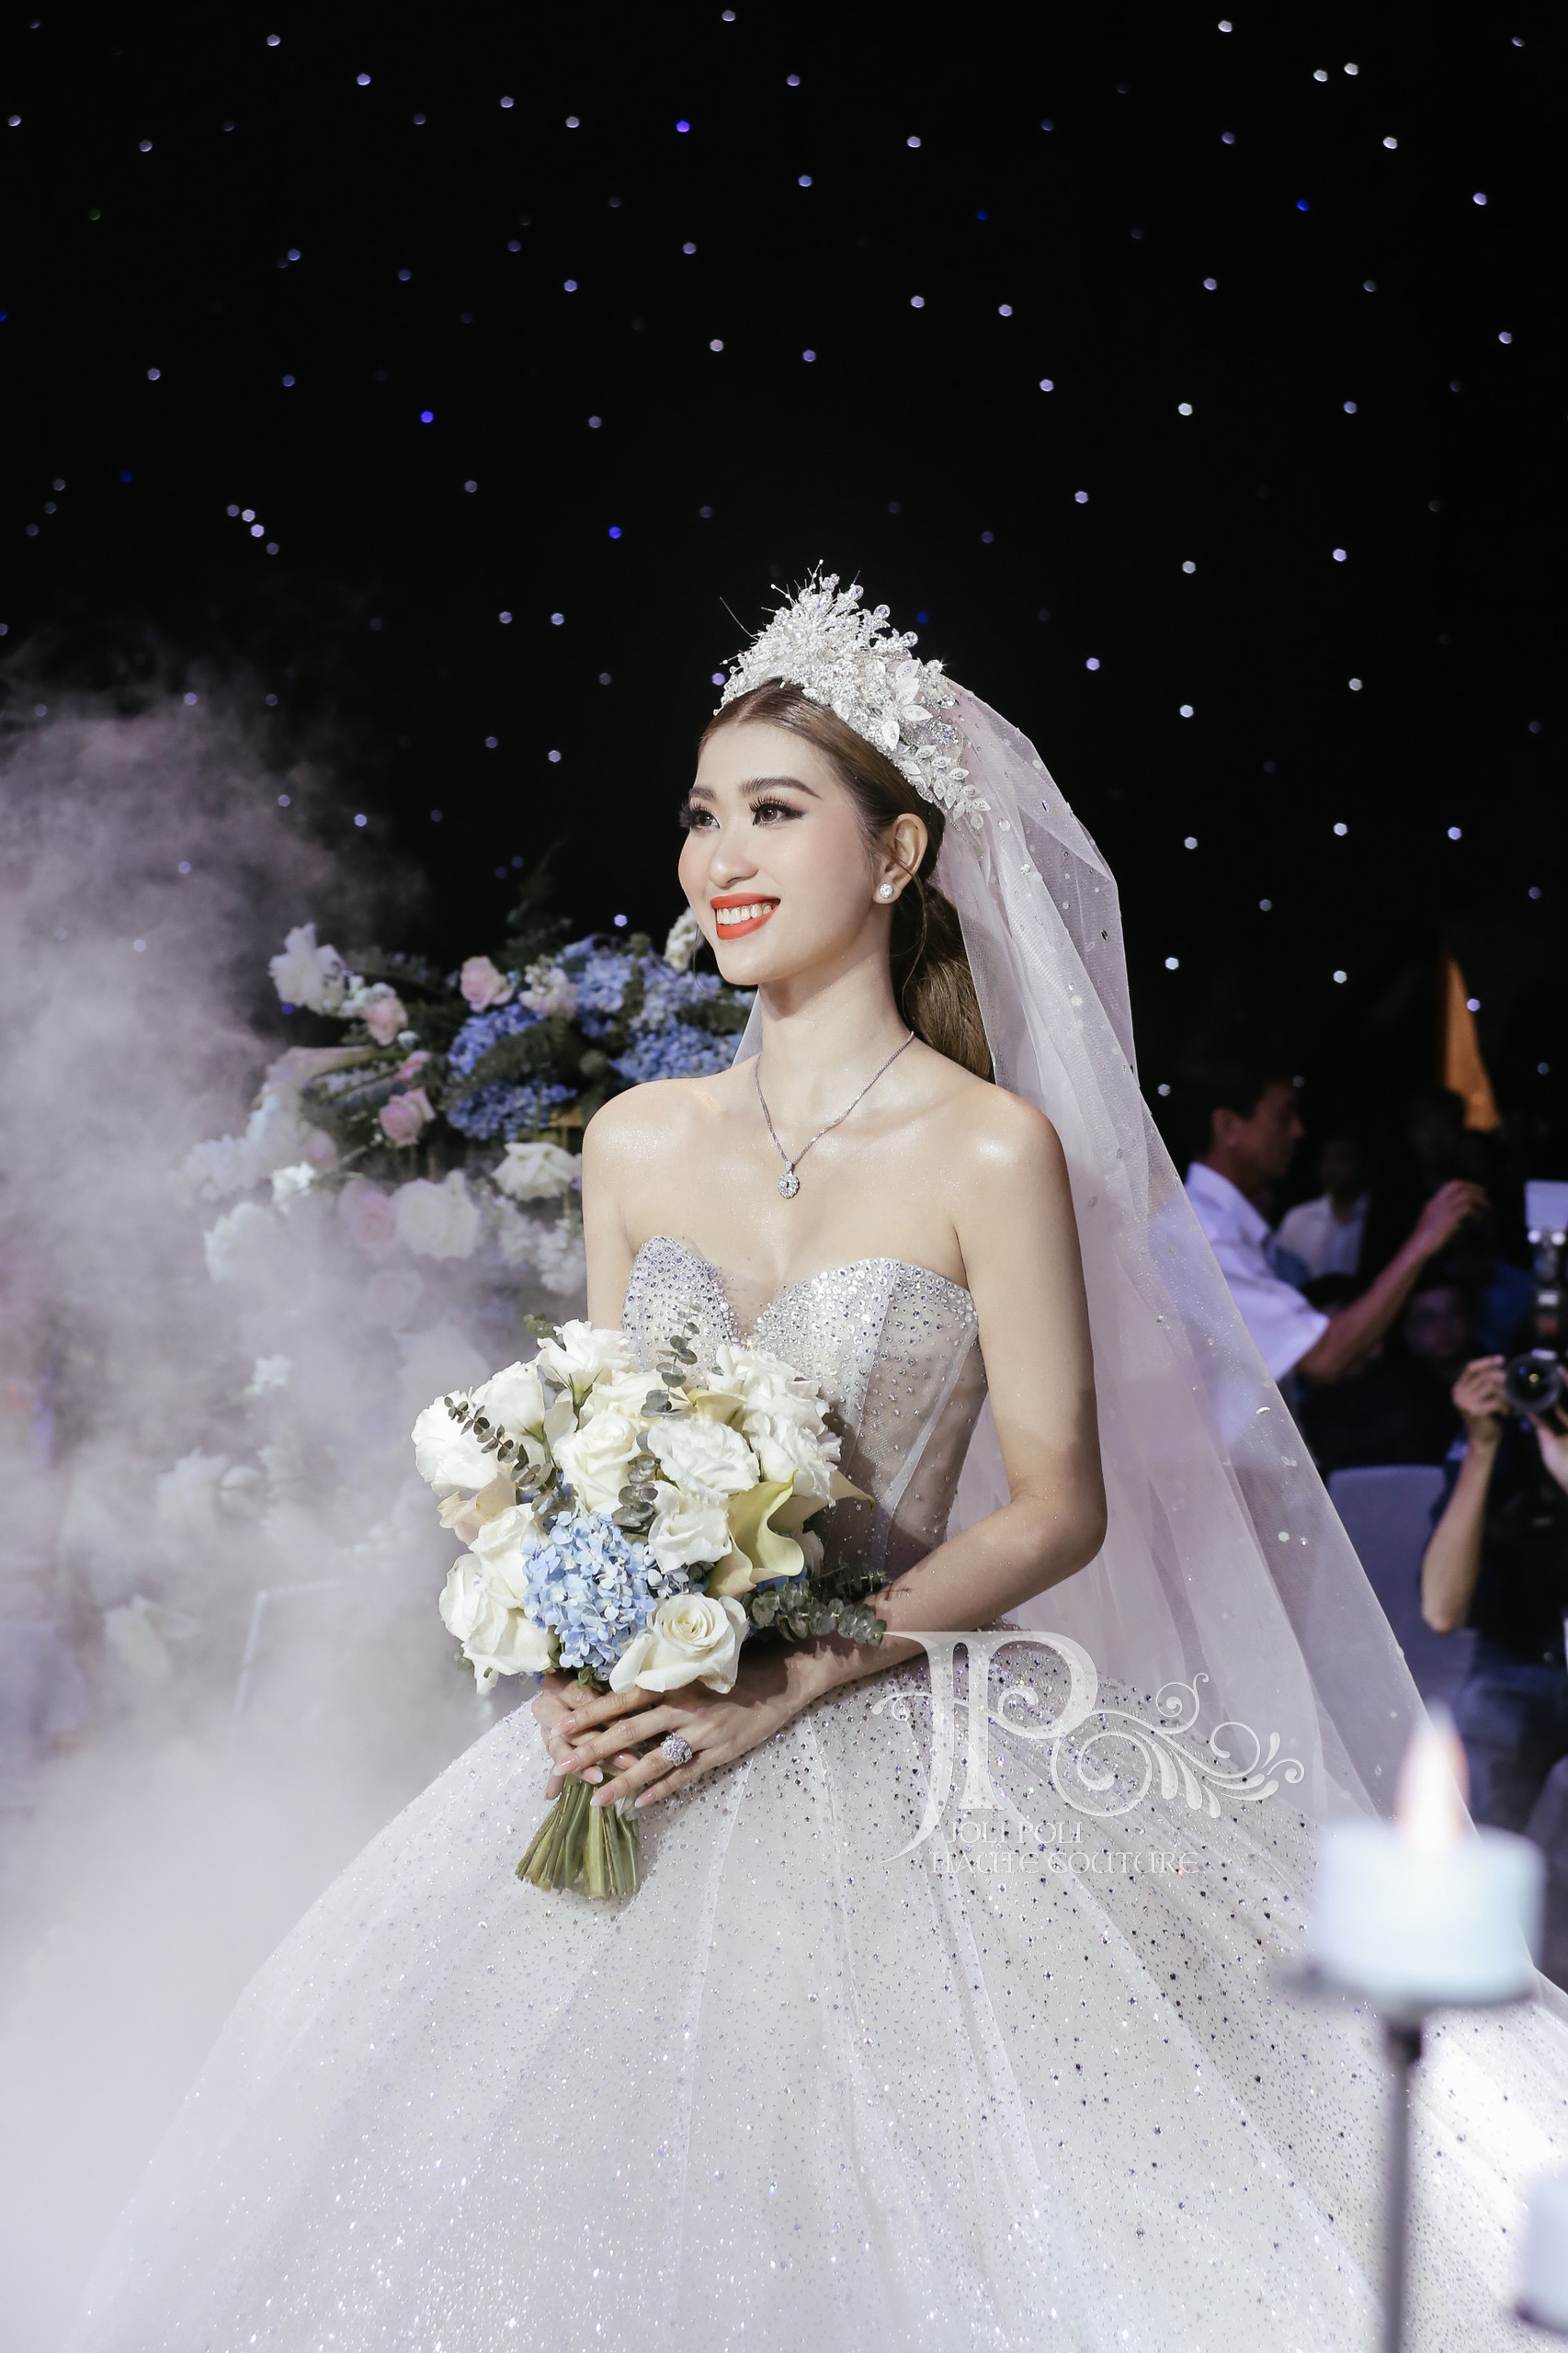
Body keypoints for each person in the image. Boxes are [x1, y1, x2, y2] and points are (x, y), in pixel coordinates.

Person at [72, 577, 1568, 2351]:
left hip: (895, 1736)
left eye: (774, 811)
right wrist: (577, 1647)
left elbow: (1058, 1506)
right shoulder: (634, 1142)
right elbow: (600, 1452)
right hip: (645, 1735)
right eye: (702, 813)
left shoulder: (990, 1148)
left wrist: (792, 1674)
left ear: (896, 854)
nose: (720, 856)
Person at [1180, 1038, 1486, 1390]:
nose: (1298, 1131)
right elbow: (1324, 1357)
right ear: (1228, 1127)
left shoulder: (1217, 1224)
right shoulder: (1208, 1235)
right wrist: (1424, 1239)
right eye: (1284, 1116)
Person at [1422, 1350, 1568, 1830]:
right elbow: (1441, 1610)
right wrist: (1481, 1445)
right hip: (1518, 1661)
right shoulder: (1507, 1441)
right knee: (1470, 1775)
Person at [1296, 1267, 1474, 1478]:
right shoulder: (1287, 1402)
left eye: (1342, 1334)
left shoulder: (1417, 1400)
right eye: (1320, 1336)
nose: (1328, 1346)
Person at [1274, 1133, 1370, 1282]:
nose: (1332, 1167)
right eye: (1327, 1158)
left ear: (1363, 1164)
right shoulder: (1298, 1218)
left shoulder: (1377, 1220)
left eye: (1343, 1158)